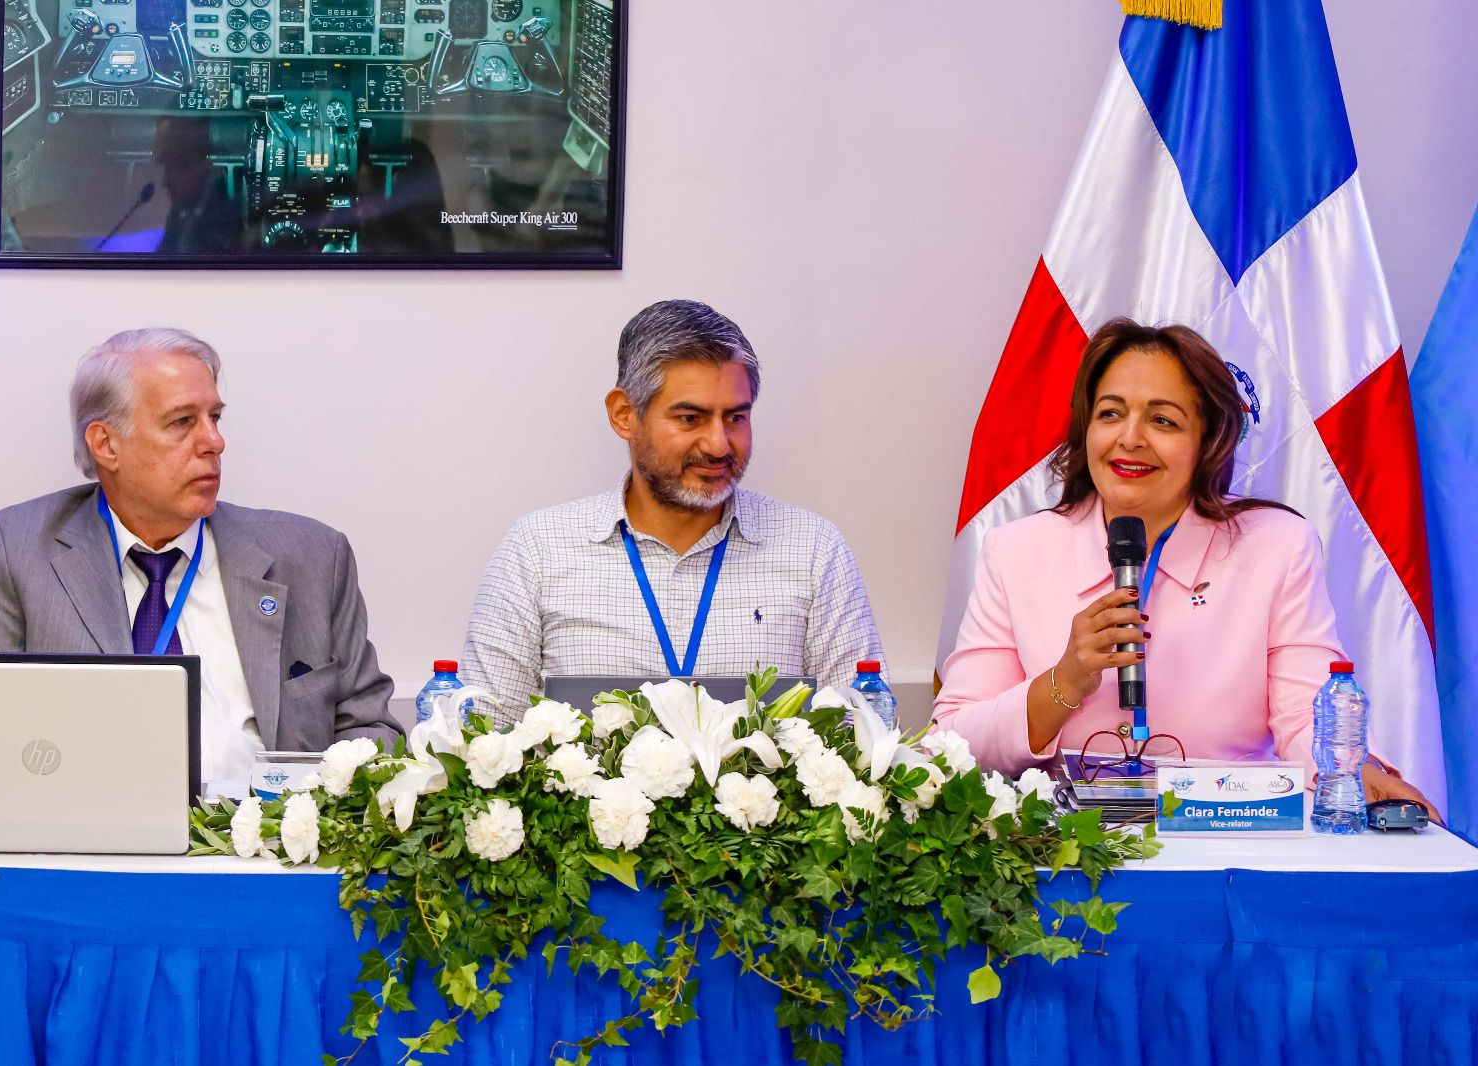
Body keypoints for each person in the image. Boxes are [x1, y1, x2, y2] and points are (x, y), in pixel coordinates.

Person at [933, 318, 1436, 815]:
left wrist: (1357, 772)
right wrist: (1062, 683)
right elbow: (951, 742)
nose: (1130, 438)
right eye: (1110, 414)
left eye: (1163, 421)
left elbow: (1305, 714)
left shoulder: (1276, 546)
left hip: (1228, 833)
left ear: (1207, 441)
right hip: (1068, 843)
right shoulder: (1016, 551)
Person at [0, 328, 401, 784]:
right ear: (105, 444)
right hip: (96, 823)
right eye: (182, 422)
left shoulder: (312, 556)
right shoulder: (18, 551)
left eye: (215, 417)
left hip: (271, 824)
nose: (214, 441)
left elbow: (371, 730)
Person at [462, 299, 885, 723]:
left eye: (735, 418)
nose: (718, 445)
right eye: (689, 418)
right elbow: (483, 737)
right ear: (625, 415)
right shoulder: (537, 549)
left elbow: (864, 735)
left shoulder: (813, 548)